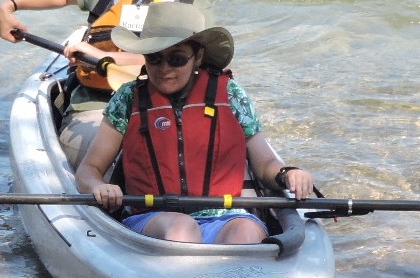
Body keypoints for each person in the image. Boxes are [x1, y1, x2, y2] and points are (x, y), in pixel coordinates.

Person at [75, 2, 315, 244]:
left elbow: (265, 165)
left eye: (177, 59)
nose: (164, 69)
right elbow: (89, 169)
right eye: (154, 58)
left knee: (247, 232)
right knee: (182, 227)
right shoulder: (128, 97)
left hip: (225, 214)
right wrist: (98, 186)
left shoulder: (231, 94)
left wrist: (287, 173)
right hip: (152, 217)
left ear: (198, 57)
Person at [0, 0, 213, 169]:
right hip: (95, 108)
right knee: (114, 157)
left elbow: (169, 62)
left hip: (163, 110)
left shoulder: (189, 13)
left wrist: (103, 56)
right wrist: (8, 6)